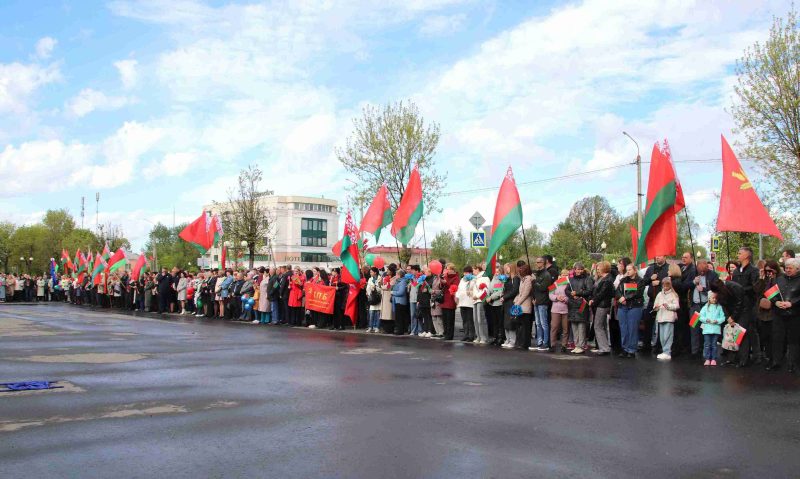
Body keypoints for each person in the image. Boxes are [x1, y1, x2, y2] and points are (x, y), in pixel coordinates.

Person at [766, 257, 800, 372]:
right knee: (777, 338)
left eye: (791, 268)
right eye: (786, 268)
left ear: (797, 269)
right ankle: (776, 362)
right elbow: (769, 292)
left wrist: (792, 303)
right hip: (778, 313)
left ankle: (792, 364)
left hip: (795, 314)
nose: (788, 270)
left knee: (793, 340)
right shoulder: (779, 279)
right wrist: (775, 302)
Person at [730, 246, 760, 366]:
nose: (738, 255)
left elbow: (754, 287)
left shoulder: (754, 271)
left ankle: (745, 359)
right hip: (737, 305)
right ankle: (738, 356)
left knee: (744, 331)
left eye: (740, 253)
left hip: (748, 305)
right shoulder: (736, 271)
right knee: (738, 331)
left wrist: (740, 289)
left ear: (747, 255)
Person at [708, 279, 746, 366]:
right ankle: (731, 359)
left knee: (740, 334)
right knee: (729, 335)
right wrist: (728, 317)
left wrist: (733, 317)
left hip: (743, 311)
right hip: (731, 312)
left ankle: (742, 359)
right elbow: (723, 305)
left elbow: (739, 303)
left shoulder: (735, 287)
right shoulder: (720, 293)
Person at [685, 259, 718, 358]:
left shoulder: (713, 275)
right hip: (695, 306)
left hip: (707, 306)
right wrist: (693, 282)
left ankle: (706, 350)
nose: (702, 272)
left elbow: (716, 289)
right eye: (700, 271)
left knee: (707, 328)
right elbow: (684, 286)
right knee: (694, 328)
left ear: (707, 268)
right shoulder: (692, 274)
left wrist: (704, 289)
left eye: (704, 271)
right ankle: (695, 351)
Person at [616, 264, 645, 358]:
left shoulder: (640, 280)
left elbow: (637, 293)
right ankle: (624, 348)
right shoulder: (623, 280)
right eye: (627, 270)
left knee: (632, 328)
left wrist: (625, 298)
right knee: (623, 328)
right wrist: (620, 297)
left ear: (635, 270)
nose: (628, 271)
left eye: (630, 270)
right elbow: (617, 290)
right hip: (622, 306)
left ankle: (631, 349)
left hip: (634, 306)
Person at [642, 256, 670, 353]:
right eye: (656, 256)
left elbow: (672, 282)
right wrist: (650, 279)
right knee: (648, 321)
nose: (657, 257)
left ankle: (659, 346)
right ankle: (646, 345)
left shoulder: (668, 268)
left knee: (661, 323)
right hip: (652, 300)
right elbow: (643, 282)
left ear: (664, 257)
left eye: (660, 256)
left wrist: (660, 282)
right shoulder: (651, 268)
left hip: (663, 300)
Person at [754, 260, 780, 363]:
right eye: (766, 271)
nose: (768, 273)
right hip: (763, 312)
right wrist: (761, 278)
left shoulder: (779, 279)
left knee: (773, 337)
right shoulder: (764, 279)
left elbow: (776, 294)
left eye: (770, 271)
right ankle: (768, 356)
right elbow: (757, 290)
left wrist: (773, 279)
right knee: (764, 336)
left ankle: (774, 358)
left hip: (774, 312)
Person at [565, 262, 593, 354]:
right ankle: (576, 345)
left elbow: (589, 291)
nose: (579, 271)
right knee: (574, 326)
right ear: (574, 270)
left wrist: (577, 293)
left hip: (582, 304)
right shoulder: (570, 279)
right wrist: (571, 295)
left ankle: (581, 345)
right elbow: (566, 290)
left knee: (581, 326)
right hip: (572, 304)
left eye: (581, 269)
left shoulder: (587, 279)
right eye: (577, 269)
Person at [589, 261, 614, 356]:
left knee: (598, 326)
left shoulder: (607, 280)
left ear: (604, 268)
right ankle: (604, 346)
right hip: (601, 304)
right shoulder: (603, 278)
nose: (597, 269)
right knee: (602, 326)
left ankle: (604, 348)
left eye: (599, 268)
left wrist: (593, 301)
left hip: (602, 305)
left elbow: (602, 294)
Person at [652, 277, 680, 361]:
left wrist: (668, 306)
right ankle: (664, 351)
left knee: (668, 335)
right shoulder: (659, 294)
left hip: (669, 317)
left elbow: (677, 306)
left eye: (667, 286)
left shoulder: (673, 294)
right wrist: (656, 307)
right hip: (660, 317)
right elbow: (655, 305)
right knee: (662, 336)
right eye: (664, 285)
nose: (665, 287)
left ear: (670, 286)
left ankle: (667, 352)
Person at [531, 257, 553, 351]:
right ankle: (539, 342)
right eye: (536, 262)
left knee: (544, 323)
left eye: (538, 262)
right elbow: (534, 289)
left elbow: (543, 288)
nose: (537, 264)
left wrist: (534, 281)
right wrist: (533, 298)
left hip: (543, 302)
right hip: (536, 301)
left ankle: (545, 343)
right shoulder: (537, 274)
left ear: (543, 263)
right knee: (538, 323)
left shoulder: (546, 274)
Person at [698, 291, 726, 366]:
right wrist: (706, 320)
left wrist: (717, 321)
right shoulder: (705, 307)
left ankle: (713, 359)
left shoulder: (719, 307)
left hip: (716, 330)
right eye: (713, 298)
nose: (714, 299)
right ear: (709, 298)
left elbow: (723, 317)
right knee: (707, 344)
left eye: (716, 298)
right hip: (707, 330)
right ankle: (707, 358)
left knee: (714, 345)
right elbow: (700, 316)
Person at [548, 268, 570, 352]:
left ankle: (564, 345)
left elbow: (571, 296)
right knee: (554, 327)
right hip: (555, 309)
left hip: (566, 309)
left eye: (567, 275)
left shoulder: (570, 285)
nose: (565, 277)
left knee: (566, 328)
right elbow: (550, 295)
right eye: (563, 275)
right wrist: (557, 297)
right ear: (560, 276)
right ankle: (552, 345)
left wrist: (565, 299)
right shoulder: (555, 283)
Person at [513, 264, 533, 350]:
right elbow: (520, 293)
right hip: (520, 305)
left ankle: (525, 343)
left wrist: (518, 302)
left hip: (526, 305)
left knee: (525, 326)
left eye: (522, 270)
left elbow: (526, 293)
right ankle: (520, 342)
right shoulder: (523, 279)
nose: (520, 271)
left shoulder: (528, 279)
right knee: (520, 325)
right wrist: (516, 300)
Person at [471, 264, 491, 344]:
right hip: (475, 300)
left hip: (480, 300)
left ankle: (484, 337)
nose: (472, 271)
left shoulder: (484, 278)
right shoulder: (475, 278)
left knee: (481, 320)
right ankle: (478, 336)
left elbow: (485, 290)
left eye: (473, 270)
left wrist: (477, 296)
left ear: (477, 269)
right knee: (475, 319)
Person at [487, 264, 506, 346]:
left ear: (501, 271)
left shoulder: (503, 279)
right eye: (495, 272)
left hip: (499, 303)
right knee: (494, 322)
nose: (496, 273)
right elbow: (490, 289)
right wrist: (488, 296)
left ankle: (501, 338)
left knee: (500, 322)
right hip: (493, 304)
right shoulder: (493, 279)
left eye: (498, 272)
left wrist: (491, 297)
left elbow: (500, 291)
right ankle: (495, 337)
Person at [455, 266, 476, 342]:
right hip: (462, 302)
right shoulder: (462, 280)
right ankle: (466, 334)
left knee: (470, 320)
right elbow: (459, 289)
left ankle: (471, 335)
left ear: (470, 273)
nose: (465, 274)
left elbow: (474, 289)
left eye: (466, 273)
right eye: (464, 273)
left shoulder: (474, 279)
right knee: (464, 320)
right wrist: (457, 297)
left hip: (469, 302)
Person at [440, 263, 459, 340]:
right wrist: (441, 281)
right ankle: (445, 334)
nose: (446, 270)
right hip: (444, 300)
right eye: (446, 269)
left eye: (447, 269)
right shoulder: (445, 276)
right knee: (444, 319)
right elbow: (441, 287)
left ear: (452, 270)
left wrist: (446, 283)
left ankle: (450, 335)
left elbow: (454, 288)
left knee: (450, 319)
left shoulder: (456, 278)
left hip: (451, 300)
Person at [392, 268, 410, 335]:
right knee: (397, 317)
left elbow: (401, 292)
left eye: (396, 274)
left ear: (399, 275)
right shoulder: (397, 281)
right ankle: (398, 329)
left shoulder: (403, 282)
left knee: (400, 317)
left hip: (401, 302)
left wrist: (393, 292)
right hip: (396, 301)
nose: (395, 276)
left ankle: (400, 330)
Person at [417, 267, 434, 338]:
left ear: (430, 272)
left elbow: (431, 288)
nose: (424, 273)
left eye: (426, 272)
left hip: (427, 299)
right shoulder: (423, 279)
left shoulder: (432, 279)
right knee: (424, 316)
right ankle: (425, 330)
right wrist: (418, 300)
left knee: (429, 316)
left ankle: (430, 330)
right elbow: (419, 289)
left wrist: (427, 289)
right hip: (422, 300)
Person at [380, 267, 395, 333]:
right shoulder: (386, 277)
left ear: (392, 271)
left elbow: (388, 287)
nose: (387, 271)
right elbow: (382, 285)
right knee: (384, 314)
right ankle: (385, 328)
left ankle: (389, 329)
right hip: (384, 297)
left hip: (389, 297)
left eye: (388, 270)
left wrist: (383, 286)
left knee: (389, 314)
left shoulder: (394, 278)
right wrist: (381, 282)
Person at [366, 267, 382, 333]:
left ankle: (377, 327)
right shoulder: (370, 279)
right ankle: (370, 327)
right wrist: (370, 292)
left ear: (375, 272)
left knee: (378, 313)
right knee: (371, 313)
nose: (370, 273)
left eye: (371, 272)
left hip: (378, 298)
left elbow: (381, 288)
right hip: (372, 297)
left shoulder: (380, 278)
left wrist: (376, 287)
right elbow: (368, 288)